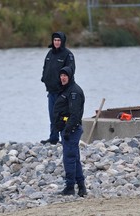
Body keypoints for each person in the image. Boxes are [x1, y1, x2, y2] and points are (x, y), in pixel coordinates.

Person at [53, 66, 87, 197]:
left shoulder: (74, 92)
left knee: (69, 158)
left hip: (71, 130)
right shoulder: (66, 90)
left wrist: (67, 130)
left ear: (70, 76)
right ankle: (81, 187)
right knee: (75, 158)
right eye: (61, 75)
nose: (62, 78)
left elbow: (75, 114)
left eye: (65, 75)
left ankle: (70, 187)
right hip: (66, 128)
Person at [41, 31, 75, 145]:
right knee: (52, 115)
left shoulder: (67, 55)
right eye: (55, 40)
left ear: (62, 41)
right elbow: (45, 67)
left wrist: (64, 86)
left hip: (62, 91)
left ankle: (64, 137)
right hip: (51, 91)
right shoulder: (50, 53)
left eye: (59, 40)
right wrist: (44, 78)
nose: (56, 42)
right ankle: (53, 137)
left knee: (63, 116)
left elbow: (70, 71)